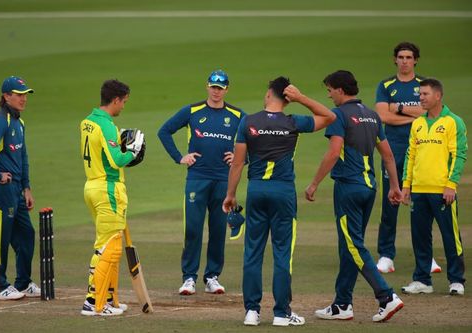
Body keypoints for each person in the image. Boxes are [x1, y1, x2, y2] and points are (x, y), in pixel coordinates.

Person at [222, 76, 336, 326]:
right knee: (283, 253)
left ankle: (251, 312)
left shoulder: (248, 122)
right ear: (287, 98)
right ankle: (281, 314)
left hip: (257, 191)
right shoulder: (293, 122)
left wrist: (230, 195)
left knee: (253, 252)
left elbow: (238, 163)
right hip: (283, 193)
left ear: (268, 94)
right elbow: (330, 117)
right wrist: (302, 98)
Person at [306, 70, 404, 322]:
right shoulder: (372, 115)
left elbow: (333, 152)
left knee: (354, 245)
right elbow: (388, 155)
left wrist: (314, 183)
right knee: (349, 245)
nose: (329, 95)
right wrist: (394, 186)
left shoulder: (338, 114)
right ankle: (342, 304)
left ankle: (386, 296)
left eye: (329, 90)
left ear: (340, 90)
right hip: (369, 187)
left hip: (348, 187)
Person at [158, 70, 244, 295]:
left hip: (223, 180)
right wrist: (180, 157)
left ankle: (212, 277)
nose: (216, 91)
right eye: (213, 87)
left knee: (217, 230)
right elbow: (164, 131)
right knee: (193, 228)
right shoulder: (193, 111)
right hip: (197, 179)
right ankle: (189, 278)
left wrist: (242, 159)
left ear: (227, 89)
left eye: (221, 87)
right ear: (207, 87)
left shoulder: (237, 115)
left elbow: (256, 140)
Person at [79, 79, 145, 316]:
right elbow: (117, 159)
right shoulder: (105, 125)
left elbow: (103, 150)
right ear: (115, 100)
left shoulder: (87, 122)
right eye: (124, 102)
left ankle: (108, 298)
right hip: (108, 189)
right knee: (107, 248)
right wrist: (133, 151)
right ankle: (93, 302)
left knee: (110, 245)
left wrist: (119, 140)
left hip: (92, 185)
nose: (123, 107)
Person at [375, 42, 441, 274]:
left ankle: (427, 257)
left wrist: (400, 109)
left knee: (422, 203)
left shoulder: (424, 85)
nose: (404, 61)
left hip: (422, 149)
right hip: (393, 149)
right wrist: (416, 117)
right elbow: (383, 116)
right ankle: (386, 255)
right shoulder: (386, 85)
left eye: (409, 57)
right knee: (391, 201)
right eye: (401, 57)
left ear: (415, 60)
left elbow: (433, 113)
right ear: (395, 60)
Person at [401, 78, 467, 296]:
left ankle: (456, 280)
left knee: (450, 236)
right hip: (418, 189)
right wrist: (406, 185)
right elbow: (411, 156)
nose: (420, 98)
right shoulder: (418, 123)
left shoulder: (453, 122)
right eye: (420, 94)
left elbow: (459, 155)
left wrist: (451, 185)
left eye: (425, 94)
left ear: (438, 96)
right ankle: (422, 280)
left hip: (442, 190)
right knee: (420, 236)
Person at [0, 76, 41, 300]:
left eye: (25, 94)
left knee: (26, 233)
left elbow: (22, 156)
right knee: (2, 236)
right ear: (6, 96)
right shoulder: (2, 120)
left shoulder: (19, 122)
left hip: (16, 189)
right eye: (18, 95)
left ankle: (23, 283)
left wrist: (26, 187)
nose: (23, 99)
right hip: (0, 189)